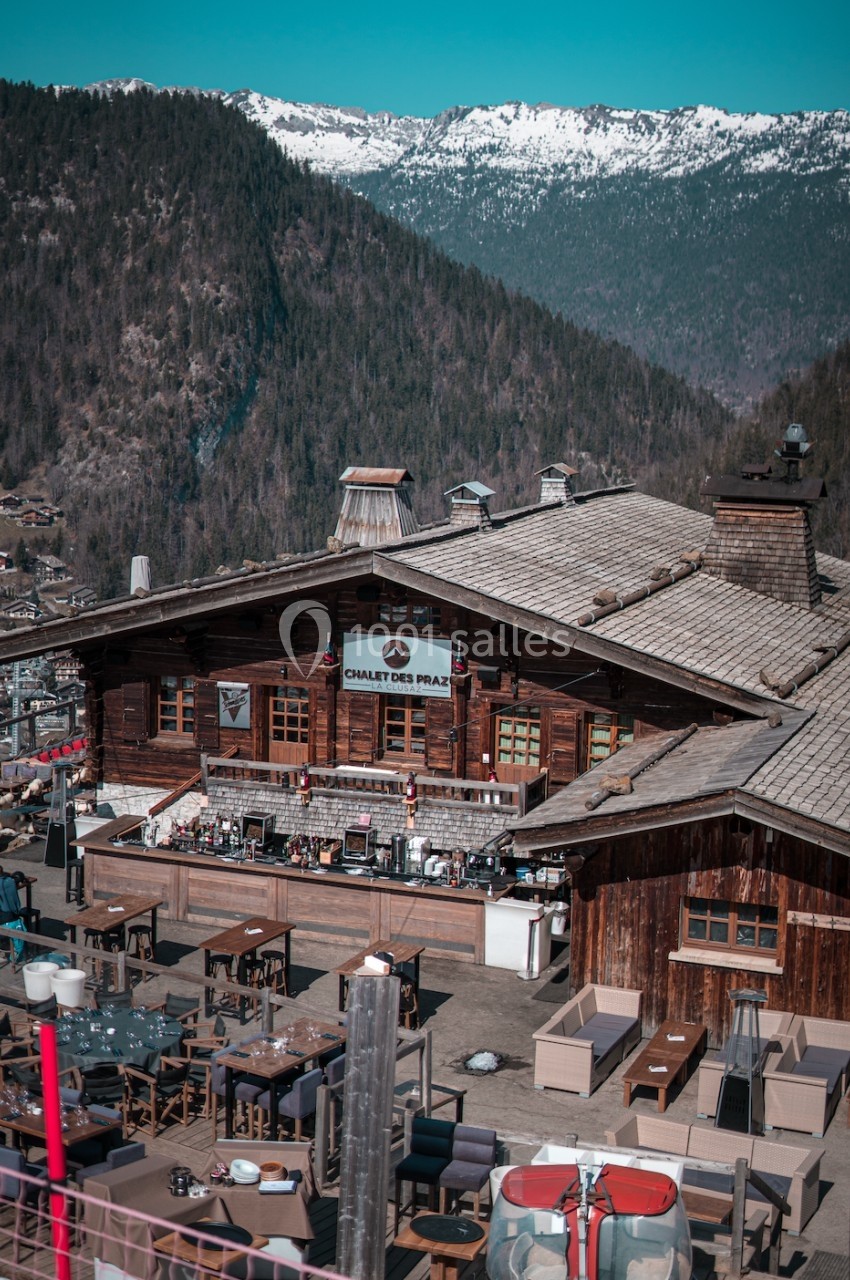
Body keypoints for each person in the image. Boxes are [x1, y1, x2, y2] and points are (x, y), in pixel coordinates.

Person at [0, 865, 25, 963]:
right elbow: (19, 876)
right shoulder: (10, 881)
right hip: (14, 915)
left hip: (4, 920)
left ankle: (4, 946)